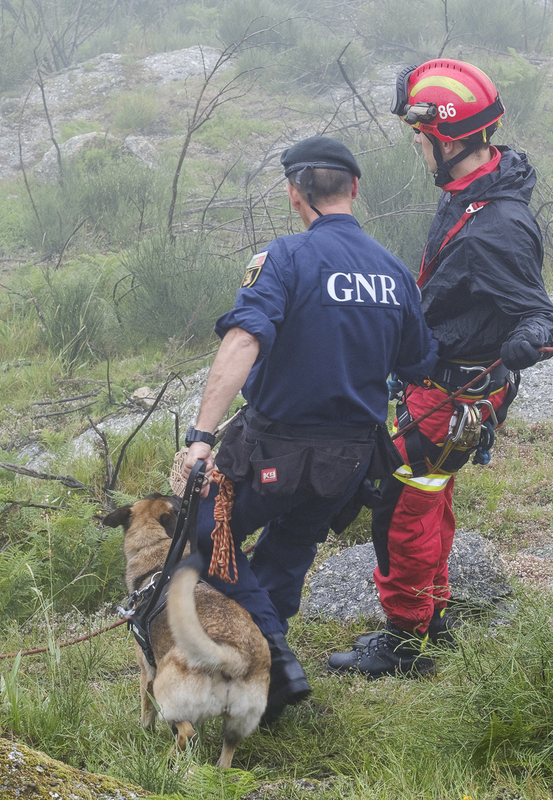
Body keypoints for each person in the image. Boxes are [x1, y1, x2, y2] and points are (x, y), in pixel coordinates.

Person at [182, 136, 439, 723]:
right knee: (289, 548)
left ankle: (272, 655)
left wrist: (202, 435)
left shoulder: (287, 259)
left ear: (296, 194)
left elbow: (244, 338)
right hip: (349, 463)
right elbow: (420, 364)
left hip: (275, 450)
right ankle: (263, 683)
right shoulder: (394, 272)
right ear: (354, 189)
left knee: (201, 529)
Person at [327, 59, 553, 678]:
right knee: (429, 495)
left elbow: (544, 318)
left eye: (422, 138)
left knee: (402, 504)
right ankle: (429, 617)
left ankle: (407, 640)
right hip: (443, 384)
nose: (419, 149)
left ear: (451, 136)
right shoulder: (473, 192)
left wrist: (526, 340)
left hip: (456, 392)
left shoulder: (497, 226)